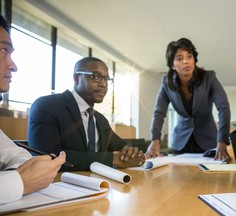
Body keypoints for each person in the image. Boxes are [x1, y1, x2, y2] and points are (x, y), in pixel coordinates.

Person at [28, 57, 145, 172]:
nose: (103, 84)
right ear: (77, 78)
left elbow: (120, 144)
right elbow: (45, 155)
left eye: (107, 80)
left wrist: (130, 151)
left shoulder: (100, 119)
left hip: (101, 185)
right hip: (59, 185)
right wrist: (112, 159)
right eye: (96, 77)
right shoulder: (47, 106)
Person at [0, 15, 66, 204]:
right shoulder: (47, 106)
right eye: (4, 50)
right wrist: (19, 181)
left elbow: (15, 154)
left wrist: (30, 170)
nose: (13, 66)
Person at [145, 38, 231, 162]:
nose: (186, 61)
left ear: (194, 59)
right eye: (179, 58)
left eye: (189, 56)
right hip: (181, 141)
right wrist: (155, 140)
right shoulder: (166, 83)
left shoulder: (209, 78)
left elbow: (223, 108)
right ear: (172, 65)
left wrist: (222, 141)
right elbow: (159, 112)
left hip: (208, 141)